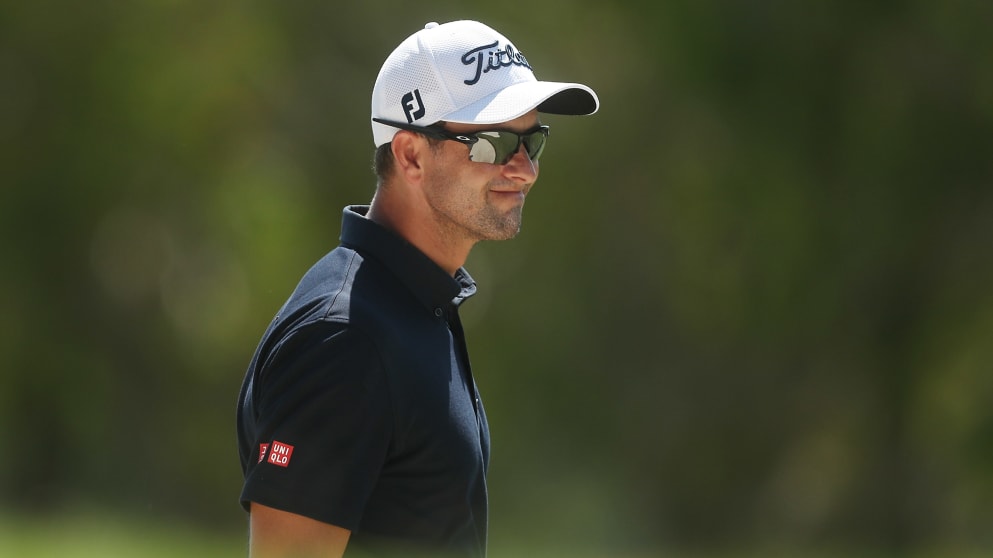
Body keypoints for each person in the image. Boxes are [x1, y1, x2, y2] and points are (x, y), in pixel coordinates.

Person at [237, 19, 599, 557]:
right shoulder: (344, 337)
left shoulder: (414, 304)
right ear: (409, 155)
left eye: (532, 140)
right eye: (493, 143)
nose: (524, 170)